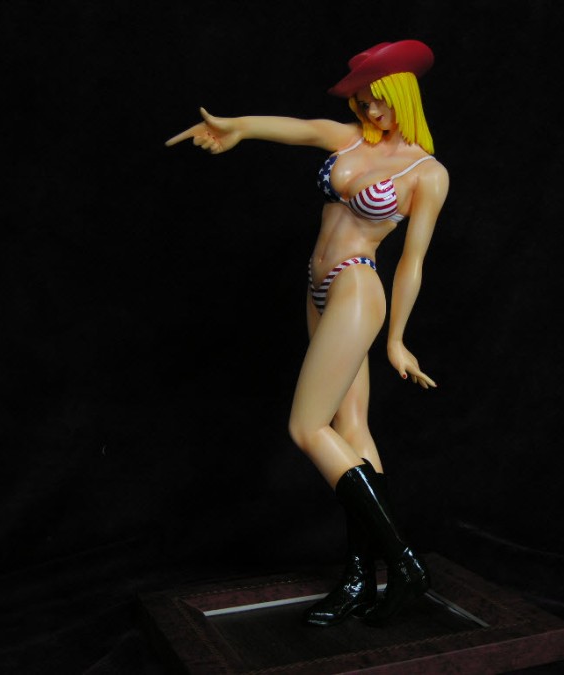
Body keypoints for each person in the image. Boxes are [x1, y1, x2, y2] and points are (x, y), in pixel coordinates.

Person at [166, 40, 448, 627]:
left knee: (306, 426)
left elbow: (412, 262)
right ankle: (358, 576)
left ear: (403, 96)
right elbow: (297, 129)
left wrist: (396, 339)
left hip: (356, 287)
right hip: (317, 286)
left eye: (378, 101)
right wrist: (237, 127)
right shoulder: (348, 138)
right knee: (351, 428)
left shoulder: (427, 173)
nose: (369, 112)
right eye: (363, 102)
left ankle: (405, 564)